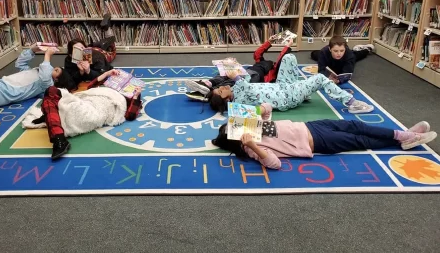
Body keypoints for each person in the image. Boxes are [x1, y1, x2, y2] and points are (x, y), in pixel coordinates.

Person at [212, 119, 437, 170]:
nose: (240, 128)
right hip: (316, 141)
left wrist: (262, 110)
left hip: (310, 125)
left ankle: (401, 134)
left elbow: (270, 112)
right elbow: (274, 164)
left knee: (354, 125)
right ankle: (406, 140)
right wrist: (253, 144)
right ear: (236, 140)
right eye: (235, 130)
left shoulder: (253, 126)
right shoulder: (250, 148)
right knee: (359, 141)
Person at [207, 52, 374, 114]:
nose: (222, 87)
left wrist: (234, 67)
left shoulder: (236, 88)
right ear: (227, 100)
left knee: (289, 57)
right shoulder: (238, 103)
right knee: (321, 78)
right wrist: (236, 76)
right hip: (287, 96)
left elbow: (248, 80)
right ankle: (352, 103)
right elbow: (249, 88)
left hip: (281, 87)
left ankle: (304, 91)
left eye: (219, 87)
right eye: (221, 91)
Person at [36, 69, 143, 160]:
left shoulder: (123, 100)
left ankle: (57, 134)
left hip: (93, 111)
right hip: (85, 102)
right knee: (51, 92)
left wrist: (136, 96)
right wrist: (107, 74)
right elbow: (91, 87)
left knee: (51, 97)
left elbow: (131, 115)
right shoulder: (103, 89)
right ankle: (53, 121)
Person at [185, 36, 293, 102]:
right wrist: (269, 42)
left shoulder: (273, 71)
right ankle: (208, 85)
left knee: (232, 82)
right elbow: (257, 54)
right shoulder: (261, 62)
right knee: (227, 74)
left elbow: (280, 60)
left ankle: (209, 92)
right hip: (246, 73)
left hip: (254, 81)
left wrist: (287, 47)